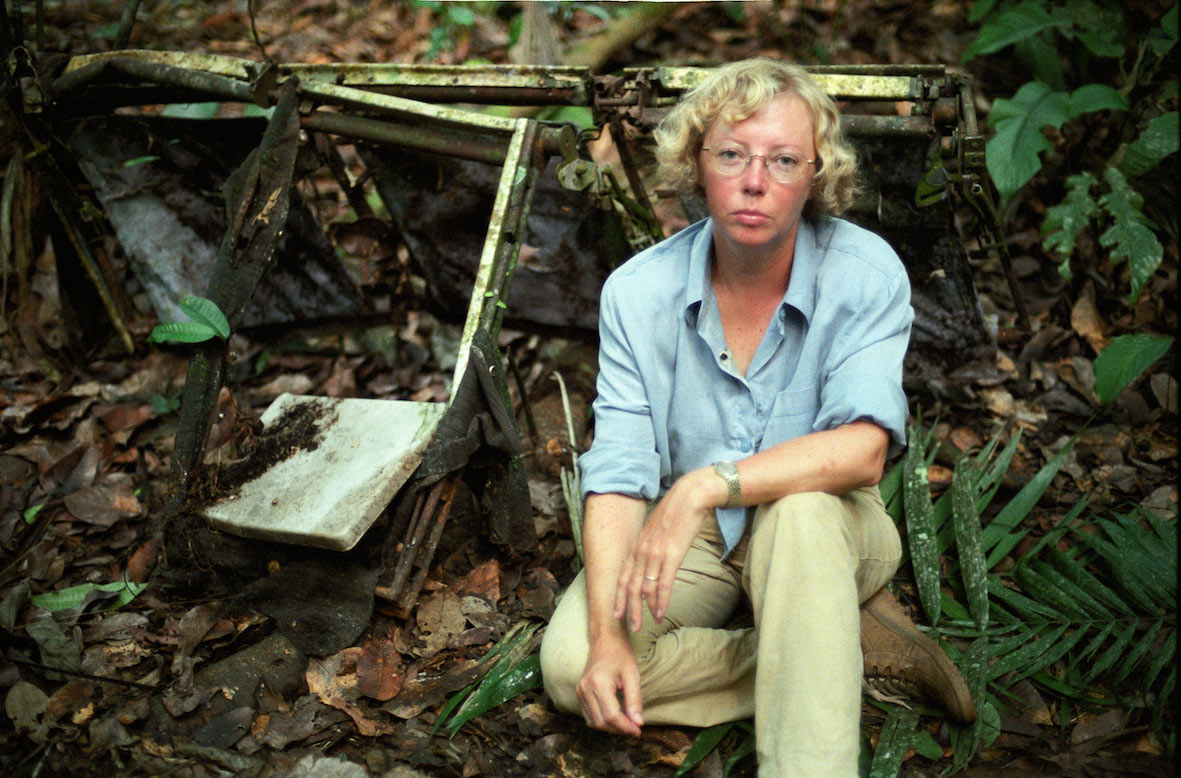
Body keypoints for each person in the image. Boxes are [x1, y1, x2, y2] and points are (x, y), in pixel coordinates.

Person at [539, 59, 974, 776]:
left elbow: (862, 452)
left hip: (825, 519)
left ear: (814, 175)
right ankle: (844, 643)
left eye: (781, 160)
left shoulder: (863, 272)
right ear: (696, 165)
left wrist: (701, 485)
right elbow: (616, 471)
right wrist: (612, 641)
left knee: (799, 515)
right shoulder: (636, 292)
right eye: (731, 155)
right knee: (574, 667)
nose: (753, 181)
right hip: (702, 540)